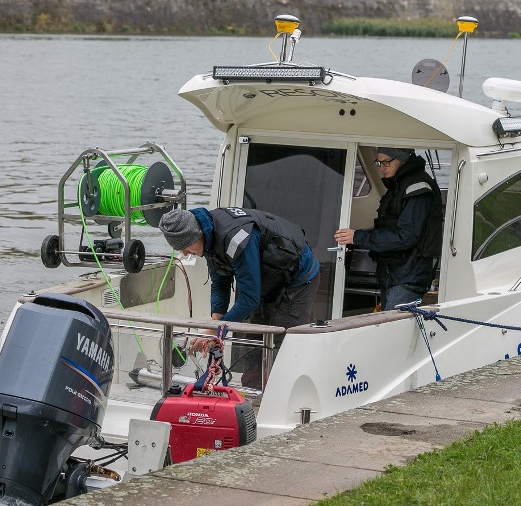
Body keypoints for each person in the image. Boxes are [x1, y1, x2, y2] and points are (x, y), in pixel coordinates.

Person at [159, 206, 320, 384]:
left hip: (298, 276)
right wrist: (216, 325)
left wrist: (216, 330)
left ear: (197, 234)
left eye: (185, 247)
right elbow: (220, 281)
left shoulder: (236, 238)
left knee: (285, 336)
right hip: (265, 278)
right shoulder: (208, 235)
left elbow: (250, 299)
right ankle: (252, 387)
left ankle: (282, 391)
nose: (184, 253)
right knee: (253, 337)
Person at [334, 147, 442, 311]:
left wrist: (357, 237)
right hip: (394, 274)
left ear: (403, 160)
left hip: (407, 278)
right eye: (379, 162)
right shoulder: (399, 184)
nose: (382, 168)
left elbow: (406, 236)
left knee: (389, 329)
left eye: (386, 162)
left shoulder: (417, 187)